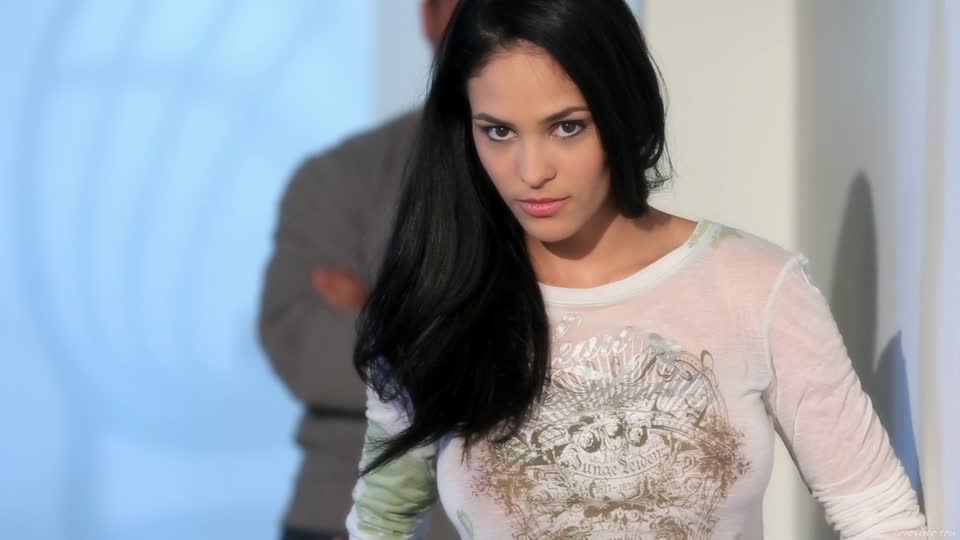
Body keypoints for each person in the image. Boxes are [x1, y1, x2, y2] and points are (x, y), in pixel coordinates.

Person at [345, 0, 928, 538]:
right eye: (498, 131)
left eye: (567, 126)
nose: (532, 170)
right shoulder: (438, 306)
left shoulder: (754, 287)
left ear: (622, 109)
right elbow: (381, 522)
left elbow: (880, 516)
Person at [257, 1, 460, 539]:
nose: (491, 18)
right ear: (428, 17)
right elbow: (305, 352)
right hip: (341, 511)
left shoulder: (565, 183)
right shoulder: (339, 176)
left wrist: (377, 314)